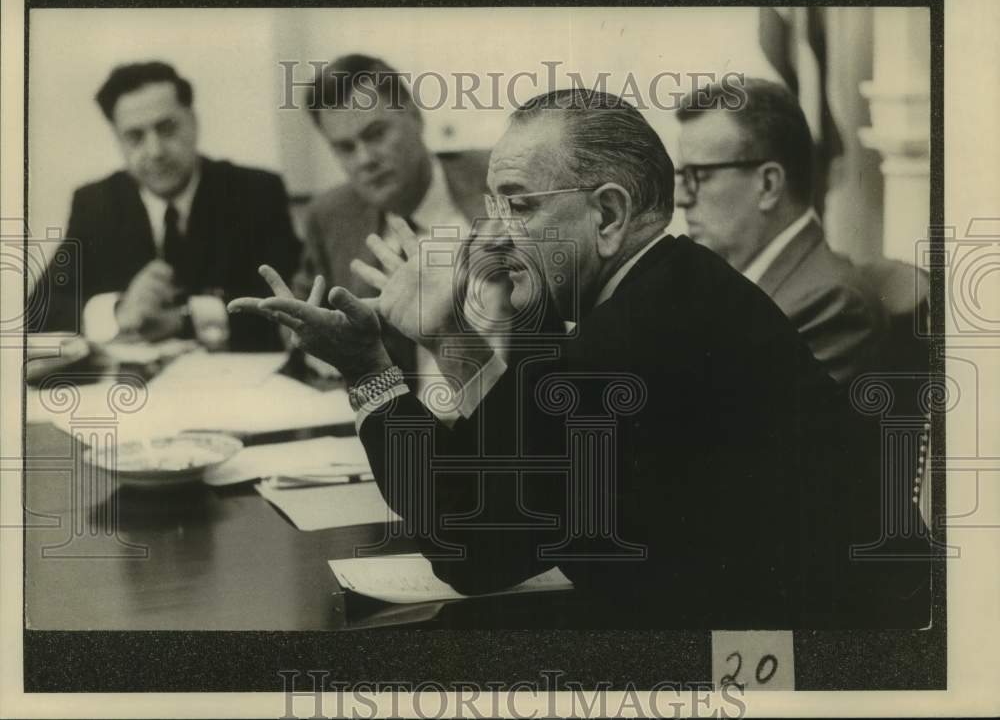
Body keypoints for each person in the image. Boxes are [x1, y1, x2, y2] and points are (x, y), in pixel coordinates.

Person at [231, 88, 926, 628]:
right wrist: (447, 338)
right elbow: (505, 478)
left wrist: (368, 371)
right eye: (493, 207)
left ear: (608, 214)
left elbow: (470, 549)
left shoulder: (623, 340)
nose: (493, 239)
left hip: (810, 662)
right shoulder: (670, 288)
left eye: (521, 206)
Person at [28, 61, 301, 351]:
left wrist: (186, 319)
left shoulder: (255, 192)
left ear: (194, 122)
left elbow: (293, 306)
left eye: (167, 128)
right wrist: (118, 310)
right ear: (118, 140)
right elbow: (39, 311)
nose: (155, 151)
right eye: (135, 137)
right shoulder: (95, 203)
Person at [674, 77, 886, 384]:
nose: (681, 198)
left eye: (699, 175)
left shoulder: (834, 303)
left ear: (768, 185)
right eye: (681, 176)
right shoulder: (718, 287)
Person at [295, 54, 489, 385]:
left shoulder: (496, 180)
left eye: (376, 134)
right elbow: (300, 313)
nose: (365, 159)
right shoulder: (330, 216)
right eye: (344, 147)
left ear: (414, 116)